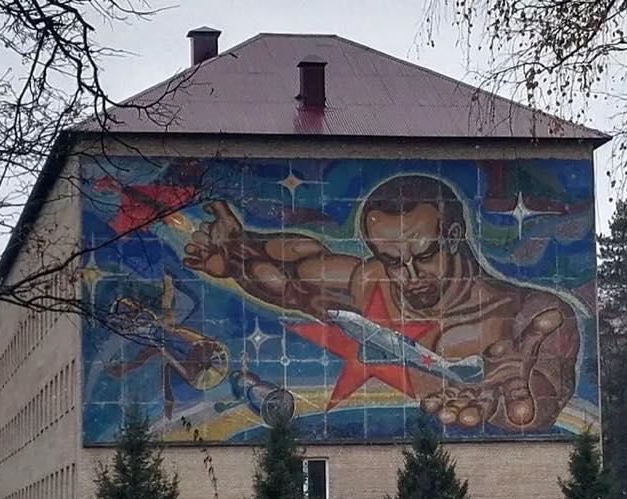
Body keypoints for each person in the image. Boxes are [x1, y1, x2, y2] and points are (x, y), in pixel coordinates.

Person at [183, 175, 579, 432]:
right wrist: (237, 249)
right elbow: (291, 282)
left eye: (425, 255)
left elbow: (543, 391)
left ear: (454, 235)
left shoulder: (528, 315)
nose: (410, 276)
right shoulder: (372, 286)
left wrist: (517, 393)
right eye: (392, 261)